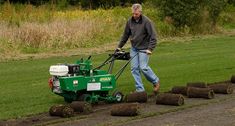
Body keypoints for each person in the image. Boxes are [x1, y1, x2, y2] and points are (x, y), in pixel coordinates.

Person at [116, 3, 160, 93]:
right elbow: (125, 35)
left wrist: (150, 49)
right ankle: (140, 89)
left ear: (140, 12)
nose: (134, 15)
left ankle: (155, 81)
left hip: (144, 48)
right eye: (133, 13)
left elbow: (153, 37)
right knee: (134, 68)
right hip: (134, 48)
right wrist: (119, 46)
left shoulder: (147, 22)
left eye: (136, 14)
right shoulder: (129, 21)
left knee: (143, 67)